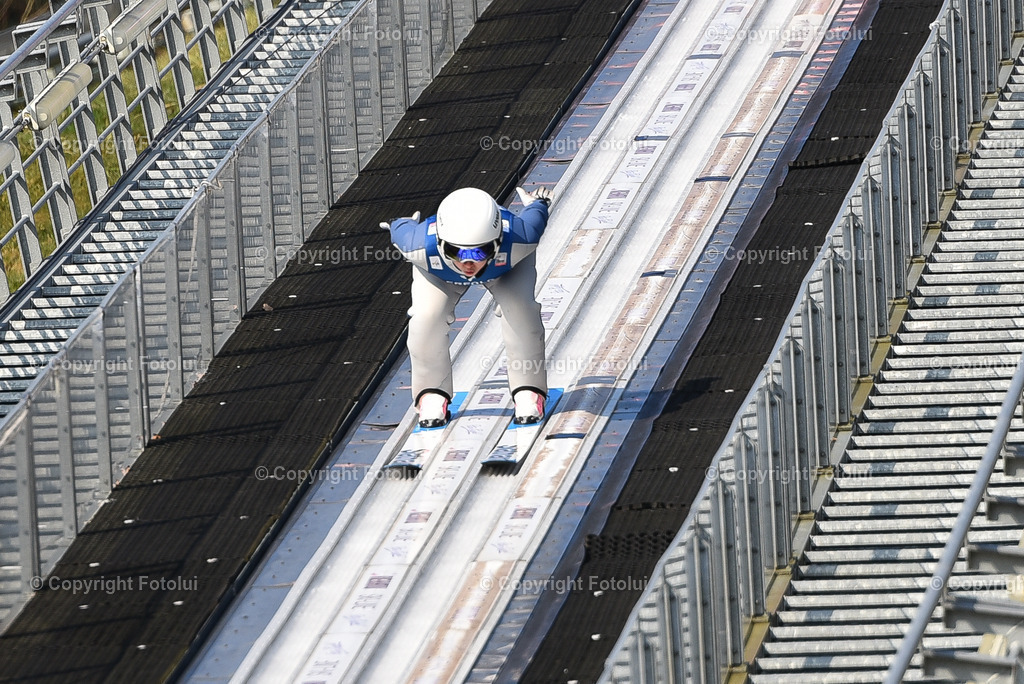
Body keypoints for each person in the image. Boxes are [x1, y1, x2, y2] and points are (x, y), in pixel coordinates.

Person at [384, 185, 554, 428]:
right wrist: (401, 223)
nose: (468, 262)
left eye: (479, 251)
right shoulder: (418, 246)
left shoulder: (520, 238)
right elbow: (401, 231)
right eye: (456, 251)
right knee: (426, 317)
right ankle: (431, 392)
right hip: (440, 274)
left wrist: (536, 204)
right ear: (441, 243)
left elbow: (533, 220)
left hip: (507, 269)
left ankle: (529, 388)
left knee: (521, 310)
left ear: (497, 243)